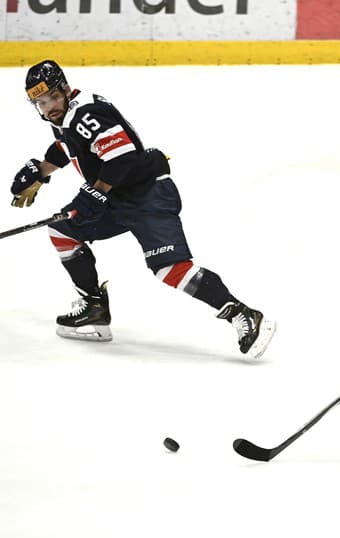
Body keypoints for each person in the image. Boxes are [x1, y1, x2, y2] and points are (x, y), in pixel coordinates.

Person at [11, 59, 275, 358]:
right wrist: (41, 172)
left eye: (52, 98)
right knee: (62, 231)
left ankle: (244, 315)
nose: (48, 107)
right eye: (40, 103)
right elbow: (69, 147)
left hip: (147, 195)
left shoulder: (87, 113)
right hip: (117, 197)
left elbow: (123, 158)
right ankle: (94, 308)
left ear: (65, 89)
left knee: (169, 269)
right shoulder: (66, 118)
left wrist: (95, 194)